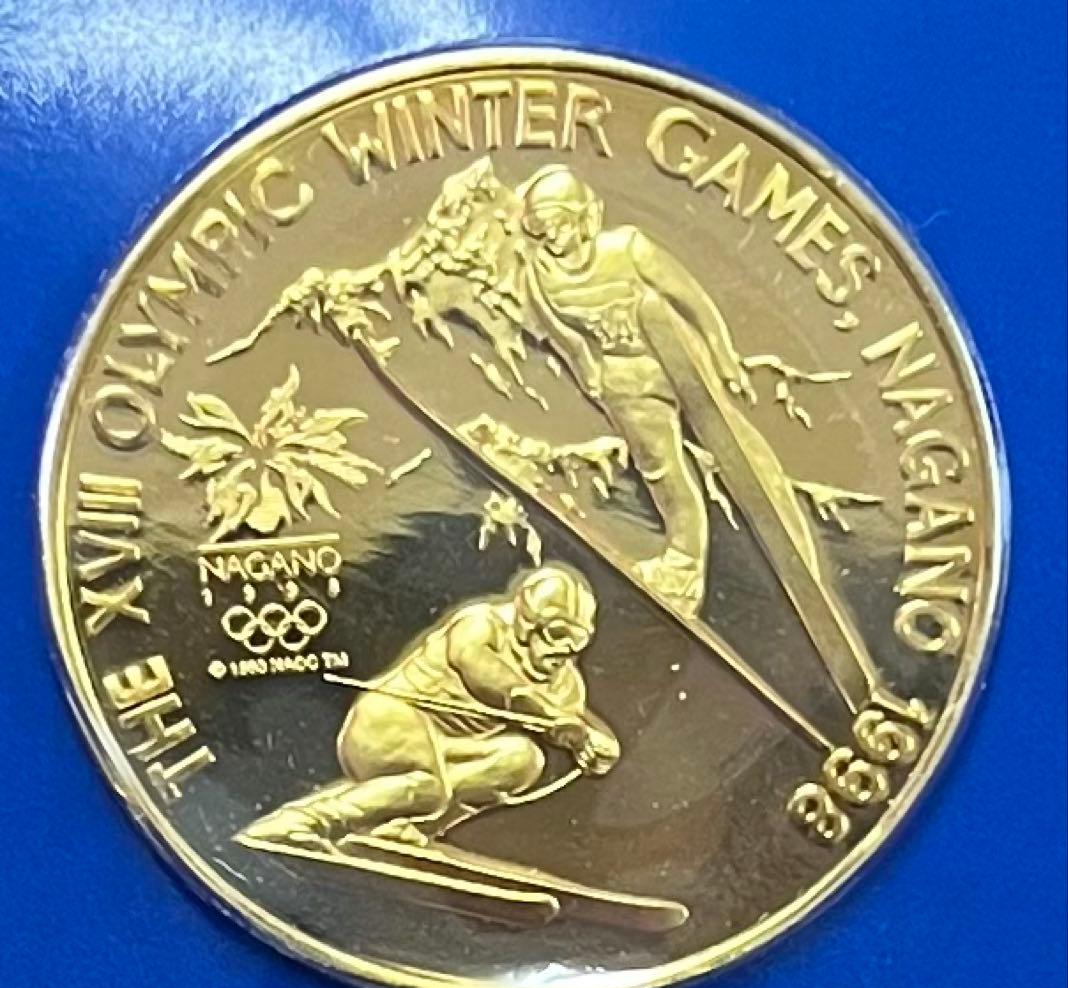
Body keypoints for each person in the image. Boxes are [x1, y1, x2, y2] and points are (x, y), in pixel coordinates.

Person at [518, 165, 798, 616]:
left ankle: (789, 541)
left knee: (735, 450)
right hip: (624, 376)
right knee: (660, 469)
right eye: (540, 226)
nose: (550, 236)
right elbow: (563, 336)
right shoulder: (539, 275)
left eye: (558, 223)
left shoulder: (629, 248)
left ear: (582, 217)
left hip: (677, 359)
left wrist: (723, 356)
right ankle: (683, 567)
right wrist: (593, 377)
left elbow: (691, 299)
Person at [241, 565, 618, 851]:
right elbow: (482, 672)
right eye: (556, 634)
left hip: (448, 748)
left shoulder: (564, 682)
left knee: (522, 760)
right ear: (526, 623)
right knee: (427, 788)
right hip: (390, 719)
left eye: (578, 640)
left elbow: (577, 720)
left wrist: (594, 744)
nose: (564, 650)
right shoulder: (480, 624)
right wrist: (551, 717)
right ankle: (300, 821)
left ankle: (405, 829)